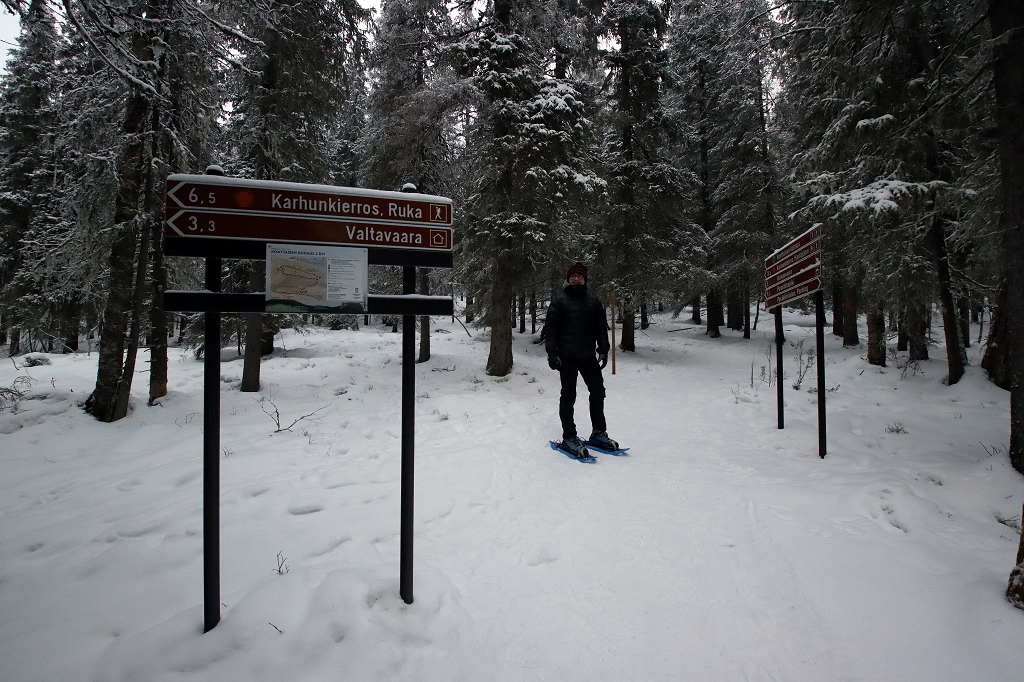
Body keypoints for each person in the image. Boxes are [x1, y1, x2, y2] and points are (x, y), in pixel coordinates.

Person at [544, 261, 619, 458]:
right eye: (572, 276)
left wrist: (603, 349)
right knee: (568, 396)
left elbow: (601, 328)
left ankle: (598, 433)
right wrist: (552, 353)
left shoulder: (594, 302)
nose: (576, 278)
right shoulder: (559, 301)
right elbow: (550, 330)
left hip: (588, 356)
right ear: (568, 279)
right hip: (567, 357)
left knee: (598, 392)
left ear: (585, 279)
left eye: (579, 276)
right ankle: (569, 437)